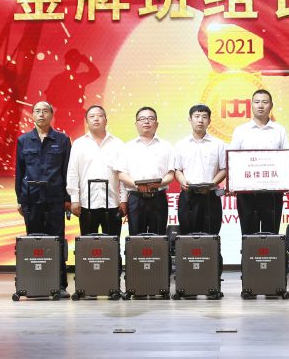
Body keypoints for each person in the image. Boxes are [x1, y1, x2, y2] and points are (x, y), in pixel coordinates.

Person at [15, 101, 71, 292]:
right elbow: (19, 171)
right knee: (34, 242)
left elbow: (67, 171)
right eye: (37, 111)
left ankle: (60, 284)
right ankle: (35, 283)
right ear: (32, 115)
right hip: (31, 199)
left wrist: (68, 198)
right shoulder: (23, 140)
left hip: (55, 199)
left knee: (57, 241)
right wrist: (20, 199)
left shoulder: (62, 140)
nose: (41, 114)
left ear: (51, 115)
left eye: (45, 111)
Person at [229, 89, 289, 235]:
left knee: (272, 234)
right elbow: (232, 160)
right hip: (246, 192)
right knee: (248, 234)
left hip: (272, 192)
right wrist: (232, 184)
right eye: (257, 102)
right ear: (251, 105)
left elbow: (287, 159)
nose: (260, 106)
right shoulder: (241, 130)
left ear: (271, 105)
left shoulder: (279, 130)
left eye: (265, 102)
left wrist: (288, 183)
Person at [115, 107, 175, 235]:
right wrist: (136, 185)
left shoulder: (167, 146)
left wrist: (160, 183)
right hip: (136, 198)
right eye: (142, 119)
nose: (146, 121)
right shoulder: (127, 147)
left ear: (157, 124)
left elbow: (171, 173)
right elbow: (121, 174)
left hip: (158, 197)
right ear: (136, 124)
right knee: (136, 238)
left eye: (150, 118)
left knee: (159, 237)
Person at [67, 105, 124, 236]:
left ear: (106, 120)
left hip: (112, 202)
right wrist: (74, 199)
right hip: (86, 203)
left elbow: (123, 174)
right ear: (86, 121)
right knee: (88, 245)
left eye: (100, 116)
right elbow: (72, 173)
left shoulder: (118, 144)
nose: (96, 119)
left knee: (113, 243)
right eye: (92, 116)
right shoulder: (79, 144)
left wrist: (124, 199)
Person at [174, 104, 228, 235]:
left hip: (210, 196)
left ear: (209, 121)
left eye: (204, 117)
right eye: (197, 116)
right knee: (187, 236)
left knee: (211, 235)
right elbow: (177, 169)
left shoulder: (219, 144)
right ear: (190, 119)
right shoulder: (181, 144)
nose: (200, 120)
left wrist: (211, 184)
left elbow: (224, 169)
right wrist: (182, 181)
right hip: (188, 195)